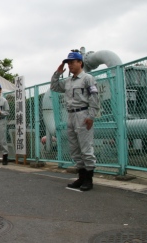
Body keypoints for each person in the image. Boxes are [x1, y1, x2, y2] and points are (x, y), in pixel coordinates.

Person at [50, 50, 99, 191]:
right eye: (68, 63)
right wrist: (58, 73)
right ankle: (81, 177)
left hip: (83, 114)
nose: (70, 65)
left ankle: (89, 180)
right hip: (70, 115)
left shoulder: (87, 78)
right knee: (75, 149)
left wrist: (91, 116)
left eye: (72, 62)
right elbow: (53, 86)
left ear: (80, 62)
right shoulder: (68, 81)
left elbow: (94, 98)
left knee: (86, 148)